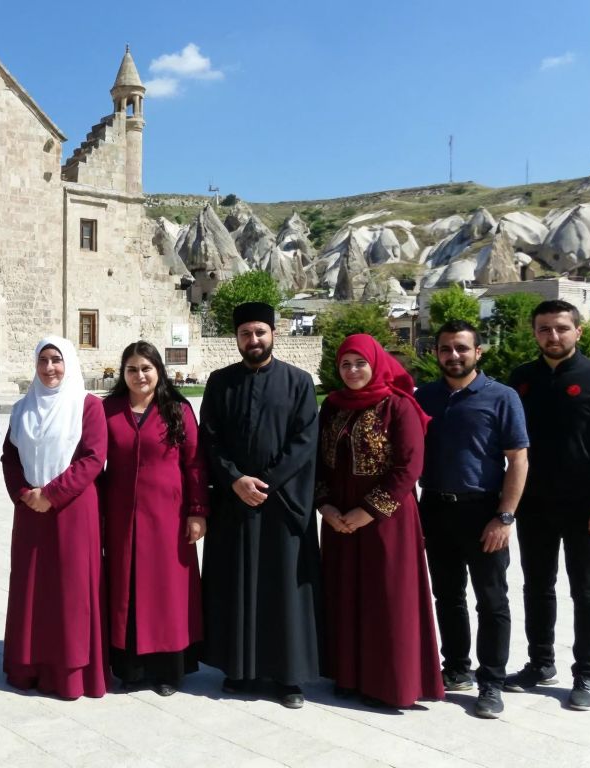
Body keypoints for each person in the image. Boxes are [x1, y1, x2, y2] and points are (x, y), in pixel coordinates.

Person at [505, 300, 590, 711]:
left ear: (578, 331)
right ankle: (540, 663)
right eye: (544, 329)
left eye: (561, 328)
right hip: (535, 506)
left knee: (588, 590)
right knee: (537, 588)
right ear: (535, 333)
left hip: (586, 508)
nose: (553, 335)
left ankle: (586, 674)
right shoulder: (521, 379)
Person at [199, 302, 321, 709]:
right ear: (237, 339)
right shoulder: (220, 382)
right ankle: (240, 669)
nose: (253, 340)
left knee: (283, 591)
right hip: (235, 504)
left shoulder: (299, 382)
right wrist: (235, 479)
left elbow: (304, 442)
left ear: (273, 334)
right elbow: (210, 439)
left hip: (281, 505)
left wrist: (265, 483)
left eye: (260, 333)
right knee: (236, 587)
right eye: (246, 334)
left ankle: (289, 678)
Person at [316, 334, 443, 709]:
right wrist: (325, 507)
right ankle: (347, 675)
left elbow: (409, 468)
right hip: (339, 521)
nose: (352, 371)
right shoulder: (333, 407)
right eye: (345, 364)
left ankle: (389, 683)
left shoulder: (398, 406)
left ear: (375, 363)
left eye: (360, 363)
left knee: (386, 598)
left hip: (387, 522)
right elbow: (320, 463)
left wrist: (367, 512)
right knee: (344, 593)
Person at [414, 320, 528, 719]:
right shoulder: (423, 397)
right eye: (446, 349)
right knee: (447, 595)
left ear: (478, 352)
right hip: (435, 508)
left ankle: (491, 682)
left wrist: (505, 516)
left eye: (462, 348)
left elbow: (518, 460)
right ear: (437, 353)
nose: (454, 356)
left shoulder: (502, 397)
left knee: (492, 600)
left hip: (484, 511)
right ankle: (457, 668)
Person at [1, 336, 107, 700]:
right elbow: (10, 457)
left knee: (70, 591)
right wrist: (25, 494)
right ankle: (28, 666)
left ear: (69, 363)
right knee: (32, 588)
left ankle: (70, 673)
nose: (50, 368)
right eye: (43, 360)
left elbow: (93, 458)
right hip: (31, 511)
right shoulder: (22, 408)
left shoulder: (87, 406)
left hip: (72, 511)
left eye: (56, 360)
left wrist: (53, 494)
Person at [102, 341, 208, 696]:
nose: (139, 376)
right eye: (132, 370)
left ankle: (167, 671)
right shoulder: (108, 410)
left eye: (146, 368)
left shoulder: (176, 409)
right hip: (120, 519)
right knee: (125, 590)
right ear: (123, 374)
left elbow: (194, 463)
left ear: (158, 371)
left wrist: (197, 512)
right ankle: (131, 669)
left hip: (167, 518)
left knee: (165, 594)